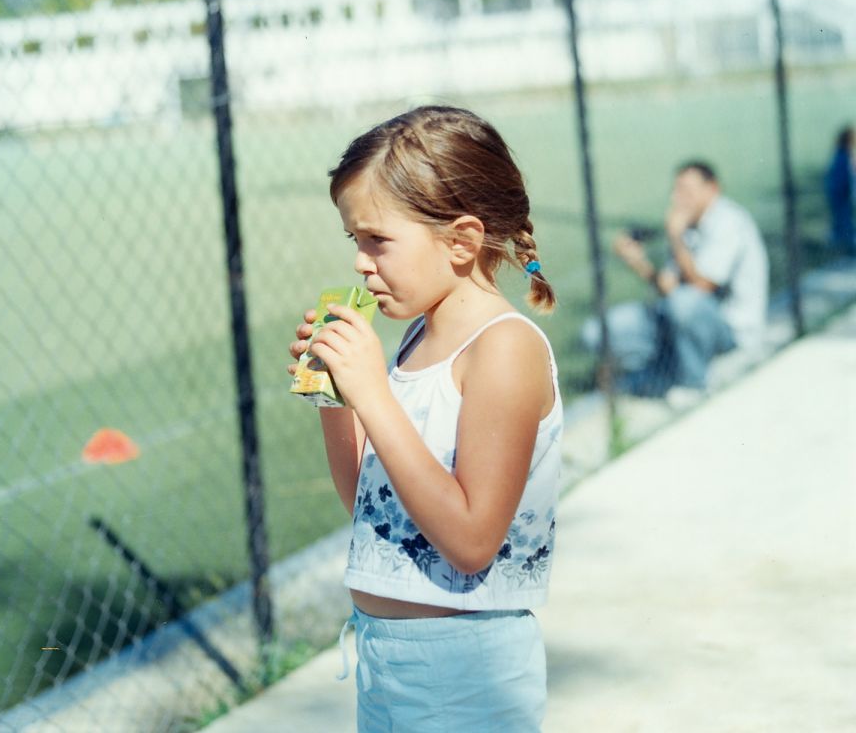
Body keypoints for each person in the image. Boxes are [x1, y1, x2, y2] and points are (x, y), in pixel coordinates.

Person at [286, 105, 562, 731]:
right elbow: (368, 503)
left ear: (461, 241)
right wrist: (336, 395)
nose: (361, 262)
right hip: (387, 660)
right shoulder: (417, 340)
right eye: (354, 241)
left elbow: (470, 542)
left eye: (377, 240)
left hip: (465, 672)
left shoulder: (503, 349)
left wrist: (373, 394)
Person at [582, 161, 768, 398]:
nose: (677, 198)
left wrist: (675, 237)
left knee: (684, 304)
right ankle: (662, 369)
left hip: (732, 331)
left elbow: (700, 288)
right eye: (676, 190)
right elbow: (669, 289)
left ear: (712, 189)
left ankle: (693, 386)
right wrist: (638, 263)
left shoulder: (729, 221)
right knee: (595, 332)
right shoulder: (686, 226)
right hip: (683, 318)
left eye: (686, 191)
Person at [825, 125, 855, 255]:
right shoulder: (845, 157)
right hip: (842, 195)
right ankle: (847, 248)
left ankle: (839, 246)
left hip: (837, 195)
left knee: (840, 222)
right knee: (845, 222)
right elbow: (847, 179)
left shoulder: (838, 155)